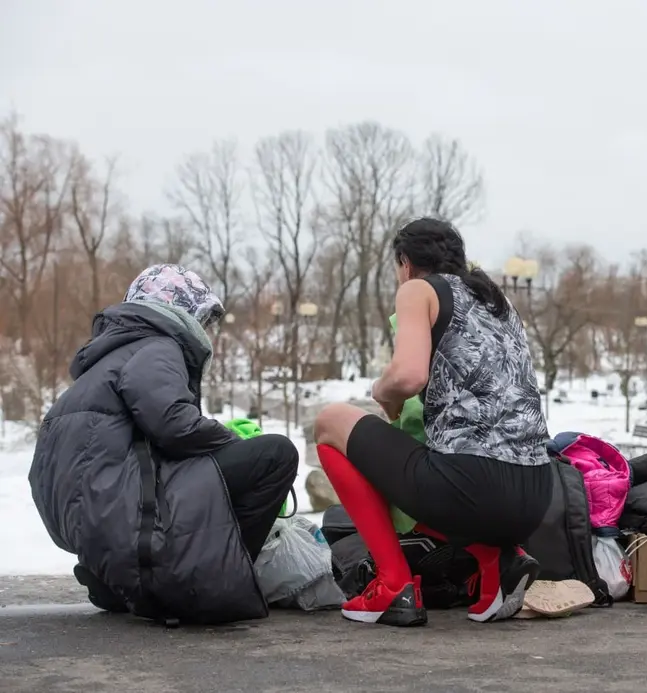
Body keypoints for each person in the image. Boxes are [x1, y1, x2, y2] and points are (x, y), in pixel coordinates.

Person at [313, 217, 554, 627]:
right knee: (417, 460)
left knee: (330, 422)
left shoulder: (418, 290)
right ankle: (496, 561)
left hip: (471, 483)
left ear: (405, 263)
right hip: (535, 494)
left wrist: (381, 391)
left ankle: (393, 585)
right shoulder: (497, 301)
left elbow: (408, 376)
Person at [29, 264, 299, 624]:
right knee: (275, 455)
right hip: (121, 504)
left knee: (218, 469)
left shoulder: (108, 357)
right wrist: (229, 440)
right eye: (202, 319)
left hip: (98, 516)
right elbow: (173, 423)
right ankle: (206, 578)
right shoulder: (157, 344)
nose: (206, 331)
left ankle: (120, 580)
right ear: (178, 309)